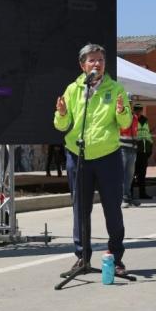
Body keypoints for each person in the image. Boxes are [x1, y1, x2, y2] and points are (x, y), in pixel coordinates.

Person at [54, 43, 132, 277]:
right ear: (82, 65)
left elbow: (126, 123)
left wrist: (120, 111)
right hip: (78, 157)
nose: (97, 64)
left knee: (112, 209)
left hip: (108, 157)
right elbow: (61, 125)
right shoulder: (72, 90)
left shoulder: (116, 89)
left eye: (100, 60)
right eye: (92, 60)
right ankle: (82, 258)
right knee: (80, 210)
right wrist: (62, 113)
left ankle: (116, 258)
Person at [119, 94, 140, 208]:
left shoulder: (135, 118)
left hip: (132, 149)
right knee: (122, 175)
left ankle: (127, 197)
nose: (130, 104)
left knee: (129, 175)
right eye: (129, 102)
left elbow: (135, 133)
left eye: (131, 103)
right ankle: (122, 198)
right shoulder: (120, 116)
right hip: (122, 148)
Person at [133, 104, 154, 200]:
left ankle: (142, 193)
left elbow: (147, 134)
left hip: (144, 151)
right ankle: (130, 194)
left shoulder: (145, 120)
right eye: (136, 110)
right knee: (132, 173)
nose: (138, 112)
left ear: (141, 111)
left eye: (139, 110)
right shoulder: (131, 120)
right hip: (135, 150)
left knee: (142, 174)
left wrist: (151, 147)